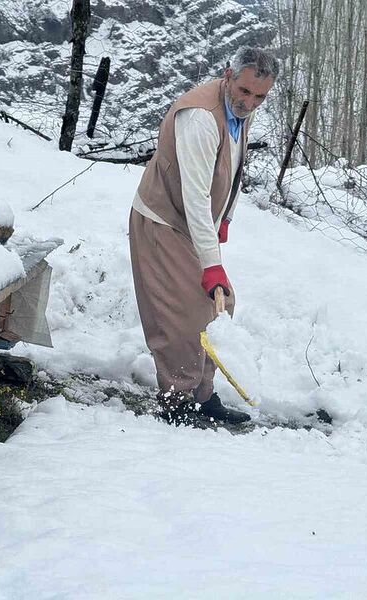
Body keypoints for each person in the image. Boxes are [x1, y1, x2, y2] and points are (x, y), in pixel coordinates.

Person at [129, 46, 278, 424]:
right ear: (229, 75)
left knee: (220, 305)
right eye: (244, 91)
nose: (250, 103)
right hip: (163, 220)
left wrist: (225, 217)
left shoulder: (238, 110)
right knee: (181, 314)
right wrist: (211, 265)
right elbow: (194, 197)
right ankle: (177, 401)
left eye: (260, 96)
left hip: (194, 224)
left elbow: (233, 166)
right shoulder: (199, 117)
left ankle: (203, 395)